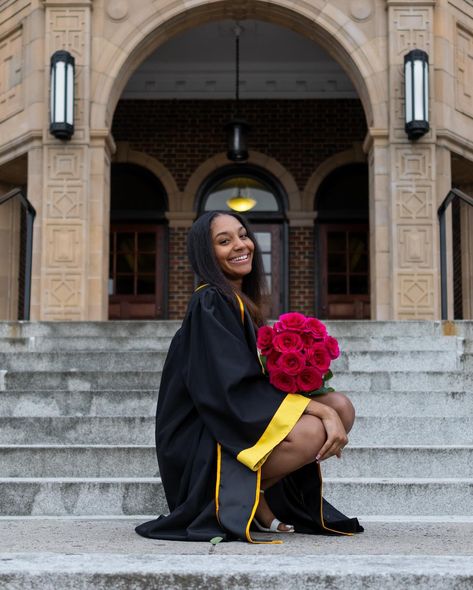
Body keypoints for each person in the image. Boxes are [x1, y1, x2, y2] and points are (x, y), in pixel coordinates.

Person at [135, 211, 363, 542]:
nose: (241, 245)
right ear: (206, 254)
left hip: (228, 425)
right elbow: (232, 389)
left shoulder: (239, 302)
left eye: (243, 235)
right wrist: (318, 410)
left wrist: (310, 390)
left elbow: (250, 384)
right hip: (203, 439)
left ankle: (257, 498)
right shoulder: (210, 302)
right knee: (315, 427)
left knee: (341, 405)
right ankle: (224, 499)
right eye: (224, 241)